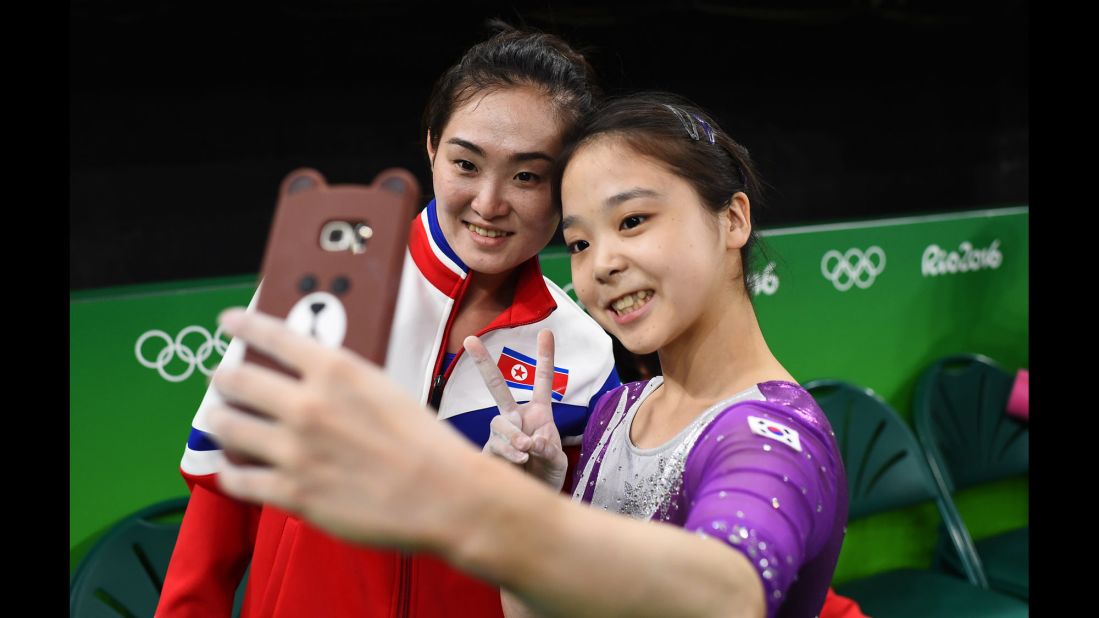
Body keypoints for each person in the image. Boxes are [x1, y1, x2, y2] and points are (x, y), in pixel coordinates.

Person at [204, 92, 849, 618]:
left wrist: (490, 515)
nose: (605, 264)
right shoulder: (621, 410)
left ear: (732, 219)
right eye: (578, 242)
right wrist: (531, 501)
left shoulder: (772, 436)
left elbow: (731, 590)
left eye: (632, 222)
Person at [157, 23, 620, 617]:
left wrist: (541, 500)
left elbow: (580, 578)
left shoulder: (583, 354)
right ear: (431, 147)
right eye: (466, 164)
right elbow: (224, 487)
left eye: (528, 176)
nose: (488, 203)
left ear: (568, 183)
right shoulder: (323, 280)